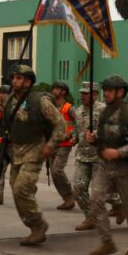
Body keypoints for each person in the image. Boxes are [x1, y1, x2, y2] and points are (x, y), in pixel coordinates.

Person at [0, 65, 65, 246]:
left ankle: (38, 226)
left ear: (28, 82)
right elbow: (1, 122)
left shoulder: (40, 101)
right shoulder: (9, 101)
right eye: (13, 78)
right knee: (16, 190)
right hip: (16, 151)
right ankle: (33, 224)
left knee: (21, 188)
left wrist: (51, 145)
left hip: (35, 149)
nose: (14, 81)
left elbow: (60, 124)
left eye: (19, 78)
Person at [86, 75, 128, 255]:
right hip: (106, 167)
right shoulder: (104, 112)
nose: (106, 94)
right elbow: (105, 135)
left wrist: (120, 152)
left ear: (120, 92)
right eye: (105, 90)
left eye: (109, 90)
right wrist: (94, 139)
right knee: (95, 199)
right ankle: (107, 242)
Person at [72, 82, 117, 231]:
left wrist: (96, 135)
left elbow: (111, 130)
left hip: (99, 157)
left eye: (86, 93)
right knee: (78, 188)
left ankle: (119, 204)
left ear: (95, 94)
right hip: (82, 156)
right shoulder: (78, 111)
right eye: (82, 93)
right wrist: (73, 138)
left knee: (100, 193)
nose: (83, 96)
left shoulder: (104, 110)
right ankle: (90, 217)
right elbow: (78, 130)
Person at [49, 81, 78, 210]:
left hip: (64, 144)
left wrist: (71, 134)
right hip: (52, 143)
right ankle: (66, 199)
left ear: (64, 92)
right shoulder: (49, 106)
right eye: (54, 88)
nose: (55, 91)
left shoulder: (68, 108)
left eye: (58, 89)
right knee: (54, 173)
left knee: (57, 170)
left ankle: (70, 195)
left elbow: (79, 122)